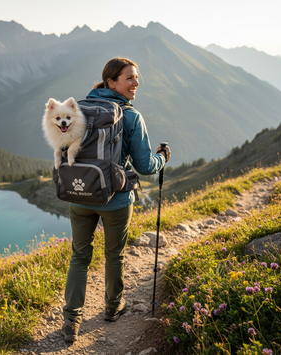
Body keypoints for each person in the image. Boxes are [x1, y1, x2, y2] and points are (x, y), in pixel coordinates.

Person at [62, 57, 171, 342]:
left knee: (79, 256)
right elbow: (146, 166)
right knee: (114, 255)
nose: (136, 83)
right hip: (115, 199)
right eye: (129, 78)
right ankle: (112, 307)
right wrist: (162, 158)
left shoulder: (77, 110)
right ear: (111, 82)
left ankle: (71, 319)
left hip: (79, 193)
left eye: (136, 77)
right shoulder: (131, 117)